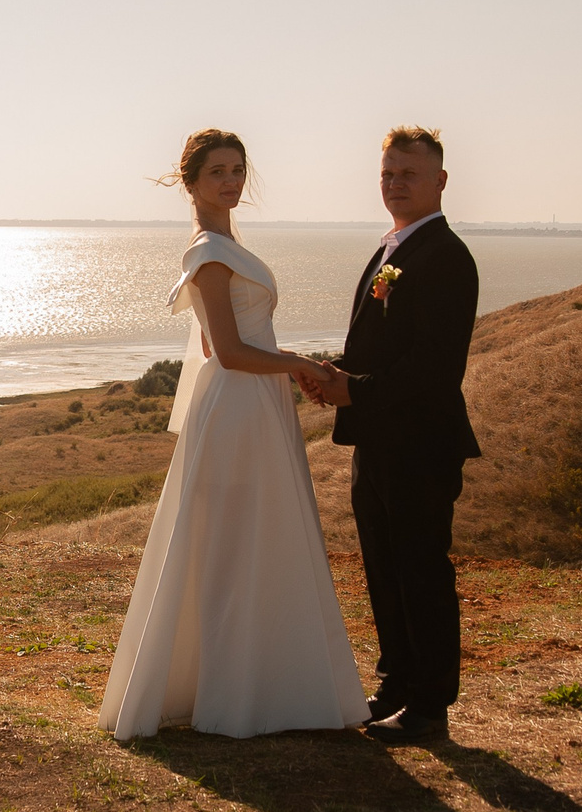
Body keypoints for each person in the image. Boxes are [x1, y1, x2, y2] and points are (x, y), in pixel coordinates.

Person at [97, 130, 371, 741]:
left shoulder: (225, 245)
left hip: (254, 401)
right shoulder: (209, 253)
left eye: (238, 170)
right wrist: (297, 364)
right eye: (217, 171)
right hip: (240, 405)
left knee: (258, 532)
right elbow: (226, 351)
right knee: (234, 537)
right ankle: (232, 690)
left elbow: (210, 342)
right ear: (190, 182)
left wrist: (282, 368)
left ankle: (262, 680)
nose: (231, 181)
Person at [300, 126, 482, 744]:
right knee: (383, 567)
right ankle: (397, 685)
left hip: (421, 443)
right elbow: (380, 346)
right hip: (379, 440)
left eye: (408, 173)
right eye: (387, 173)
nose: (395, 183)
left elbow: (434, 367)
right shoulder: (393, 249)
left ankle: (430, 706)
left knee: (420, 569)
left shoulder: (445, 255)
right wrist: (333, 376)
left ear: (440, 181)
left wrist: (355, 390)